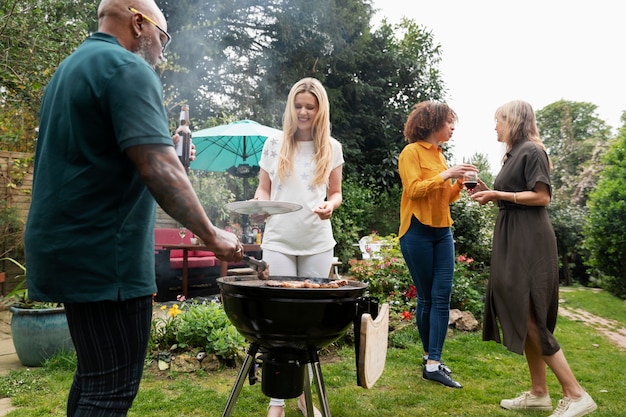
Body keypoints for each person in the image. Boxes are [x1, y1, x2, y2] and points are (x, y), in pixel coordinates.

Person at [23, 1, 244, 415]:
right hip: (106, 255)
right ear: (138, 22)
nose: (162, 51)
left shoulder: (72, 68)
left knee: (94, 380)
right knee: (110, 392)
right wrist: (212, 235)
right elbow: (158, 167)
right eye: (162, 37)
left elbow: (113, 158)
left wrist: (175, 159)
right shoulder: (127, 68)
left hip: (68, 246)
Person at [471, 100, 597, 417]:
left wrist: (498, 195)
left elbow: (542, 196)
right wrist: (490, 191)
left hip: (529, 241)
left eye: (498, 119)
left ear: (513, 120)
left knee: (531, 317)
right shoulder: (513, 154)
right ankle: (539, 392)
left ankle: (575, 393)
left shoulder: (532, 150)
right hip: (513, 236)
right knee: (519, 312)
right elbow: (515, 196)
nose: (495, 126)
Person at [252, 77, 344, 417]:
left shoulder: (331, 147)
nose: (303, 111)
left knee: (308, 326)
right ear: (291, 107)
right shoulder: (274, 143)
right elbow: (264, 189)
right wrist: (261, 204)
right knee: (280, 323)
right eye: (298, 105)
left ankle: (304, 398)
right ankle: (277, 402)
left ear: (320, 110)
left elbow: (335, 192)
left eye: (310, 106)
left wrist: (330, 206)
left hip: (317, 242)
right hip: (278, 239)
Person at [397, 101, 477, 389]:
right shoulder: (411, 153)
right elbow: (414, 190)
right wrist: (446, 174)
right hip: (417, 231)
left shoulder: (442, 157)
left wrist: (459, 184)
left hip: (442, 231)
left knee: (441, 296)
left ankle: (434, 362)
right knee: (427, 298)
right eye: (449, 122)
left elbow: (443, 199)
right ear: (432, 124)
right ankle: (430, 359)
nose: (452, 127)